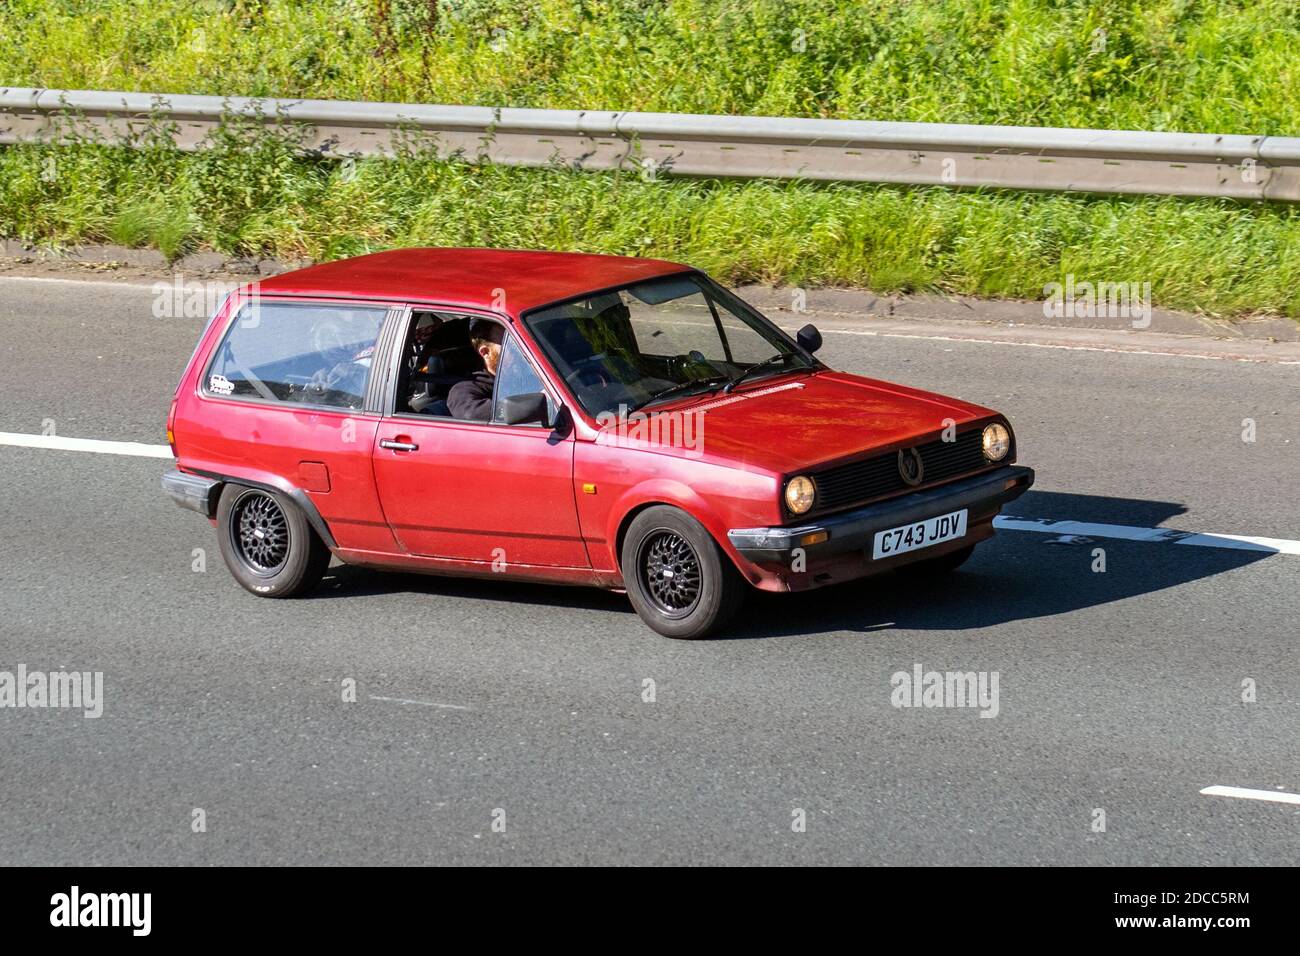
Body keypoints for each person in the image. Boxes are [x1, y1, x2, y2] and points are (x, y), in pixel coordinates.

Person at [447, 319, 503, 421]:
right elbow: (471, 413)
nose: (515, 350)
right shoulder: (464, 388)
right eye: (506, 345)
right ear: (485, 352)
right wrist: (520, 406)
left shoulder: (527, 373)